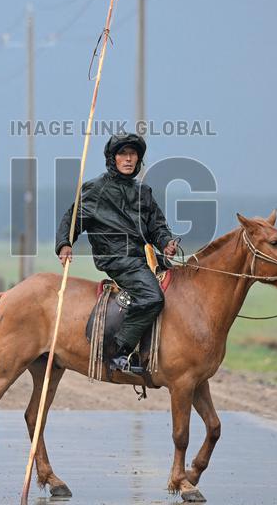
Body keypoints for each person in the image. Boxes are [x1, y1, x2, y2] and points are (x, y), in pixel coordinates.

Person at [55, 132, 178, 373]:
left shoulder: (144, 192)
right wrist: (65, 243)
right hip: (117, 259)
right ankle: (120, 351)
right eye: (123, 154)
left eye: (133, 154)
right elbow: (73, 219)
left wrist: (166, 242)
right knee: (153, 297)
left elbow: (158, 227)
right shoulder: (95, 189)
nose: (128, 159)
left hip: (146, 257)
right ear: (112, 158)